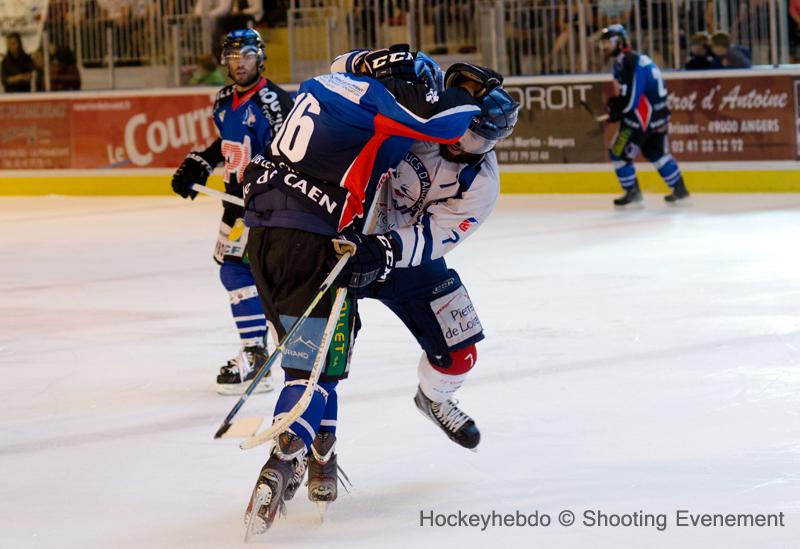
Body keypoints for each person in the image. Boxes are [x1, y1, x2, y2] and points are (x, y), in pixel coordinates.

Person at [240, 44, 484, 534]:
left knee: (453, 348)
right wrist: (464, 95)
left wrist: (388, 251)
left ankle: (330, 445)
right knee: (317, 364)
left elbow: (436, 235)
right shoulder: (396, 109)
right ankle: (295, 450)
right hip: (328, 243)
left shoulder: (326, 82)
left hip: (286, 237)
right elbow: (449, 124)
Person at [365, 63, 519, 451]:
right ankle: (308, 432)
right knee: (321, 349)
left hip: (405, 257)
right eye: (465, 129)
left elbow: (433, 237)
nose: (462, 143)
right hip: (349, 233)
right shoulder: (420, 115)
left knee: (460, 354)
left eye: (478, 141)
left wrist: (383, 249)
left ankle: (434, 398)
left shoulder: (481, 184)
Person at [170, 29, 293, 395]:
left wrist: (268, 193)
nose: (241, 62)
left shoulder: (274, 102)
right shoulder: (224, 99)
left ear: (261, 58)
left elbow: (291, 153)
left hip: (263, 206)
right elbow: (227, 143)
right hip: (234, 206)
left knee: (251, 275)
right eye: (234, 56)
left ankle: (263, 354)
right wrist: (200, 161)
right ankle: (257, 352)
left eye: (248, 55)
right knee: (234, 274)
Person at [599, 24, 690, 206]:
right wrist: (618, 106)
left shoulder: (629, 62)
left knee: (618, 153)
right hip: (657, 116)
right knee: (655, 152)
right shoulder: (632, 60)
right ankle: (680, 190)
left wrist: (619, 110)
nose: (605, 47)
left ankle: (633, 192)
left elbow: (632, 97)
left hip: (641, 119)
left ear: (619, 41)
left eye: (608, 42)